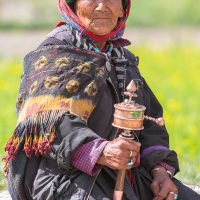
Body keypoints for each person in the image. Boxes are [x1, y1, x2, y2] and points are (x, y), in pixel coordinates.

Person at [3, 0, 200, 199]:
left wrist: (160, 171)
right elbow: (48, 124)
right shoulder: (55, 53)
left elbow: (150, 123)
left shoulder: (122, 58)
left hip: (126, 176)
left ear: (123, 8)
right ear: (73, 5)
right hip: (64, 176)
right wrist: (103, 151)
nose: (101, 6)